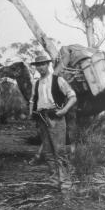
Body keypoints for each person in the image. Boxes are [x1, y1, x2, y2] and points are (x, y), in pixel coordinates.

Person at [29, 54, 77, 191]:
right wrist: (32, 114)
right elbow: (33, 100)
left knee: (60, 151)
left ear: (48, 65)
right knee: (48, 152)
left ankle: (66, 183)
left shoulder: (58, 80)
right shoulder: (36, 83)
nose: (40, 67)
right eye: (38, 65)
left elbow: (72, 96)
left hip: (55, 117)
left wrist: (64, 111)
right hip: (42, 119)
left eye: (43, 64)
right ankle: (54, 180)